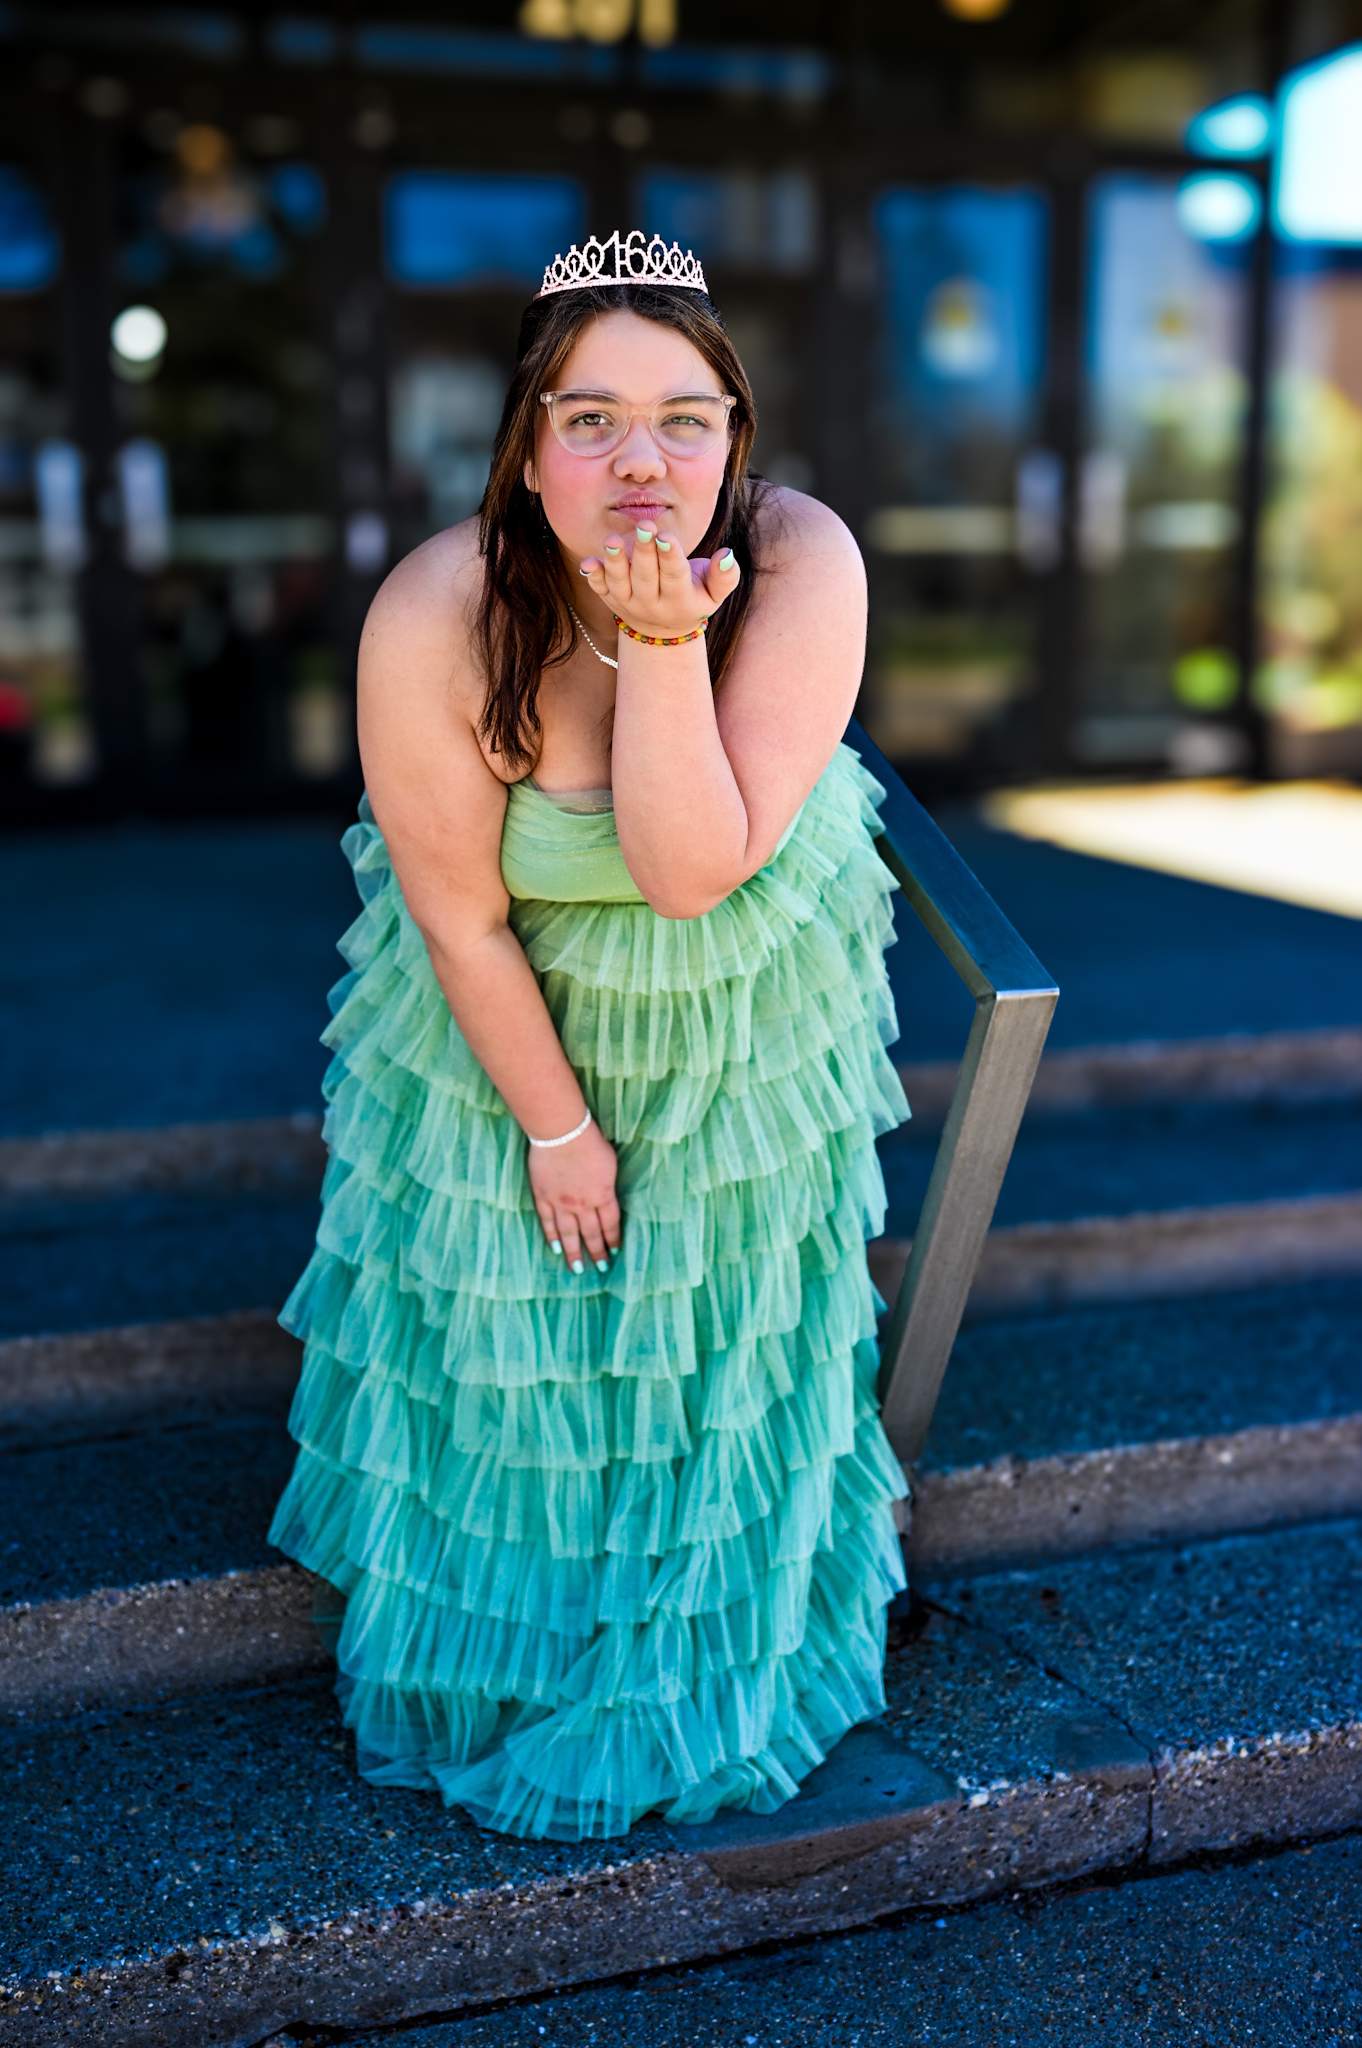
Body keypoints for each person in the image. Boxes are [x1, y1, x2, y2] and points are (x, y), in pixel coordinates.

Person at [269, 232, 909, 1842]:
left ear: (735, 439)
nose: (642, 462)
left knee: (717, 1360)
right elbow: (458, 919)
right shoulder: (439, 609)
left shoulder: (799, 560)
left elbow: (689, 871)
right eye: (592, 418)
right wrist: (558, 1132)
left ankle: (704, 1665)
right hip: (508, 1026)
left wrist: (666, 641)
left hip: (743, 1029)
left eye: (685, 419)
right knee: (520, 1366)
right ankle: (527, 1660)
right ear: (527, 446)